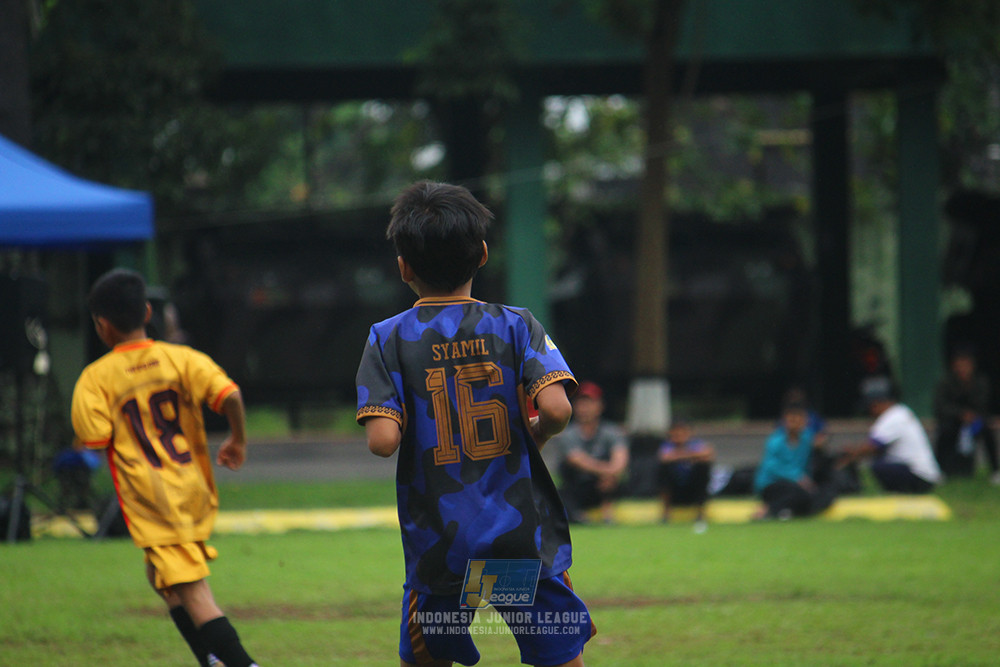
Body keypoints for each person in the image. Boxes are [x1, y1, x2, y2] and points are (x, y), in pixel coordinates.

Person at [355, 181, 594, 667]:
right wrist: (537, 434)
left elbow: (383, 442)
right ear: (483, 254)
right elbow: (557, 409)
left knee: (426, 657)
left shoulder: (386, 339)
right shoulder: (516, 324)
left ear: (403, 267)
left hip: (441, 548)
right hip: (519, 538)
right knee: (558, 655)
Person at [71, 269, 259, 667]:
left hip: (152, 497)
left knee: (193, 592)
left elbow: (94, 438)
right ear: (147, 311)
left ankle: (241, 663)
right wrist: (237, 440)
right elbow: (231, 395)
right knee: (164, 581)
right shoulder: (182, 358)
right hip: (191, 488)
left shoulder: (95, 378)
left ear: (103, 326)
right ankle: (212, 660)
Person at [839, 378, 942, 494]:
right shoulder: (901, 411)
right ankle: (898, 492)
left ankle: (899, 492)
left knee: (878, 467)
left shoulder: (893, 416)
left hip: (920, 475)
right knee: (881, 460)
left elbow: (872, 447)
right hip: (923, 475)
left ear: (879, 402)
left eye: (872, 405)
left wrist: (850, 455)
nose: (870, 410)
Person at [550, 381, 629, 524]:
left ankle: (607, 513)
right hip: (577, 486)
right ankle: (579, 516)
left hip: (604, 485)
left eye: (589, 403)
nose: (584, 408)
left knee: (614, 480)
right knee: (559, 490)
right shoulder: (567, 434)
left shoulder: (612, 432)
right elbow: (575, 459)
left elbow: (620, 461)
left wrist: (609, 473)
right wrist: (606, 470)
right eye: (581, 404)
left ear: (600, 406)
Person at [753, 402, 834, 520]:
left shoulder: (806, 440)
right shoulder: (775, 441)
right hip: (773, 483)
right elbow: (772, 467)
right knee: (797, 492)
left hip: (798, 485)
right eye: (791, 420)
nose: (795, 424)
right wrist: (798, 478)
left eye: (799, 419)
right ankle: (769, 509)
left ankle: (787, 512)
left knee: (823, 495)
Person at [933, 347, 1000, 482]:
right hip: (953, 420)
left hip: (975, 420)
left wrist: (972, 415)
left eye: (966, 364)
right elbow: (941, 406)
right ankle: (938, 470)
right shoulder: (946, 382)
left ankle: (995, 470)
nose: (963, 368)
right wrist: (960, 414)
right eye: (960, 364)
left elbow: (984, 403)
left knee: (987, 431)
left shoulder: (980, 381)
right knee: (944, 432)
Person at [656, 419, 714, 529]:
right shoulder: (667, 445)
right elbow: (664, 458)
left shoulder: (696, 443)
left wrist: (678, 456)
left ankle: (701, 512)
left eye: (683, 432)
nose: (679, 436)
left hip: (693, 489)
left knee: (703, 468)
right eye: (676, 433)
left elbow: (707, 455)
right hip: (674, 490)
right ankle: (666, 512)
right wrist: (692, 456)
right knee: (663, 470)